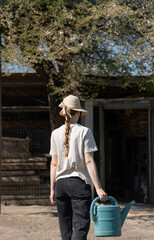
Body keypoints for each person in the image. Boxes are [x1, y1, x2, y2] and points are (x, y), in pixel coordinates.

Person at [49, 95, 108, 240]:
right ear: (79, 112)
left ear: (64, 113)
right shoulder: (85, 132)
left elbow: (54, 164)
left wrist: (52, 189)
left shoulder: (55, 133)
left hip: (60, 185)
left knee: (65, 228)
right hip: (79, 183)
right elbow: (88, 161)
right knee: (80, 226)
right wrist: (98, 187)